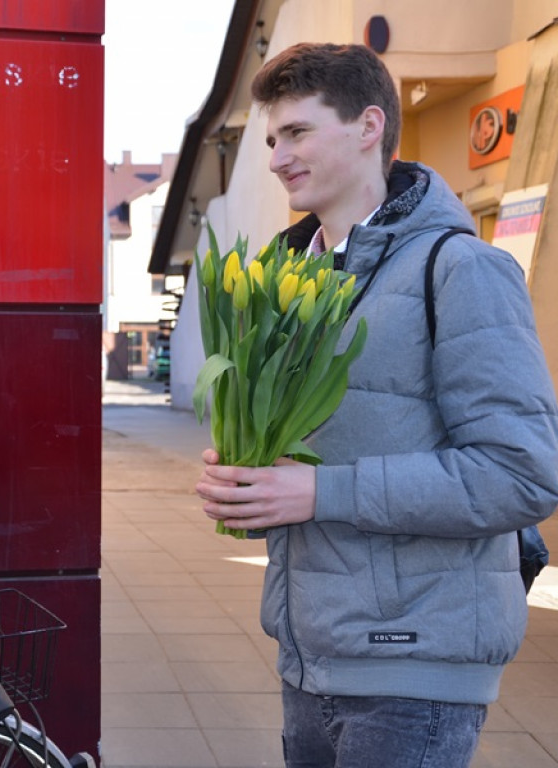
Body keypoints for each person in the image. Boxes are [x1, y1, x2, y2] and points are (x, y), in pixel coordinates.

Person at [195, 43, 558, 768]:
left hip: (413, 666)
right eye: (272, 139)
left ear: (368, 127)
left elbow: (522, 473)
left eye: (297, 132)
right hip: (311, 655)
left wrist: (318, 490)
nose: (275, 157)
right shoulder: (287, 279)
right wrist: (252, 474)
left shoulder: (460, 269)